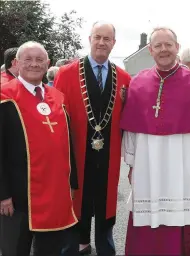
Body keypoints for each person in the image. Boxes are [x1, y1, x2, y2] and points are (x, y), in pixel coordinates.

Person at [120, 27, 190, 256]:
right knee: (147, 216)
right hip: (147, 163)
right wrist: (133, 165)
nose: (164, 49)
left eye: (168, 45)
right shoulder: (138, 83)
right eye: (158, 46)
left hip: (183, 163)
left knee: (182, 217)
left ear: (177, 47)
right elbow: (132, 131)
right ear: (150, 50)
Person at [54, 21, 131, 256]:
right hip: (77, 158)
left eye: (107, 39)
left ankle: (106, 248)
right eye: (97, 37)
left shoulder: (125, 79)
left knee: (106, 214)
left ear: (114, 43)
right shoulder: (66, 75)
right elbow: (57, 121)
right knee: (76, 213)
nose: (101, 42)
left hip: (108, 159)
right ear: (89, 39)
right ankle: (74, 248)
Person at [0, 41, 78, 256]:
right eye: (28, 59)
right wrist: (3, 194)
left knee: (50, 249)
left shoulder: (59, 98)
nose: (34, 64)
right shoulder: (4, 97)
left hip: (54, 192)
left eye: (39, 60)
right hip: (17, 195)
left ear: (48, 64)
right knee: (15, 250)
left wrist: (72, 182)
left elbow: (68, 143)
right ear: (16, 63)